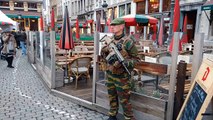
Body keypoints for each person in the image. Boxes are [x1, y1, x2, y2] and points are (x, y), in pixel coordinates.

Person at [101, 18, 138, 120]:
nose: (112, 27)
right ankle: (112, 116)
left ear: (122, 26)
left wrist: (123, 63)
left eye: (115, 25)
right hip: (110, 74)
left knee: (125, 101)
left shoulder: (128, 42)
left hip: (122, 77)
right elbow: (103, 54)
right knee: (112, 97)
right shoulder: (110, 40)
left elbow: (137, 60)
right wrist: (105, 50)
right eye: (111, 25)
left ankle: (129, 118)